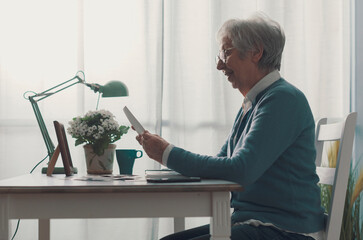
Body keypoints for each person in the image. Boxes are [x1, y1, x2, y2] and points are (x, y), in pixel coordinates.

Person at [136, 13, 325, 240]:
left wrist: (167, 153)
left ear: (256, 52)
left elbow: (240, 170)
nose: (218, 64)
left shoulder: (283, 99)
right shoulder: (255, 103)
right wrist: (169, 164)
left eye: (226, 52)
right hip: (257, 223)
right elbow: (222, 164)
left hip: (284, 229)